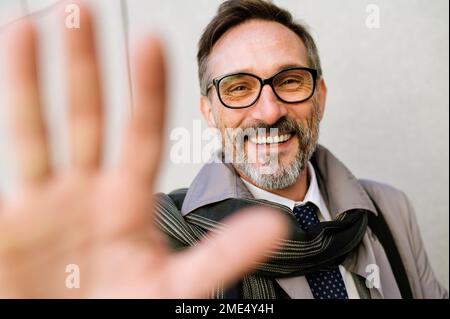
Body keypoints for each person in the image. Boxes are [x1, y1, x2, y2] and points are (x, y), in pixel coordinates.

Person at [0, 0, 446, 299]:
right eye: (239, 88)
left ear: (320, 95)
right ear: (209, 112)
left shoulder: (390, 210)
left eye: (290, 80)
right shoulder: (158, 239)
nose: (269, 111)